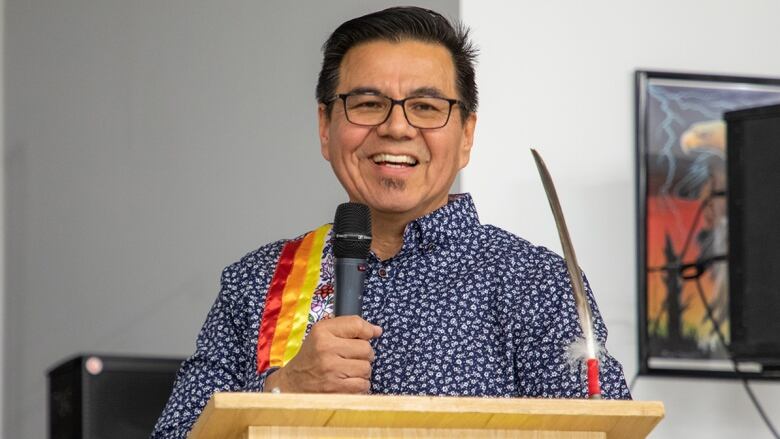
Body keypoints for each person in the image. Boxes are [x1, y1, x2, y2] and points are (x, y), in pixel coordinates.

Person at [151, 6, 630, 438]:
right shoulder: (258, 282)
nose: (397, 127)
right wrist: (282, 389)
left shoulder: (534, 282)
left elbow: (600, 429)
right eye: (367, 103)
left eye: (426, 106)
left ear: (466, 134)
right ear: (325, 126)